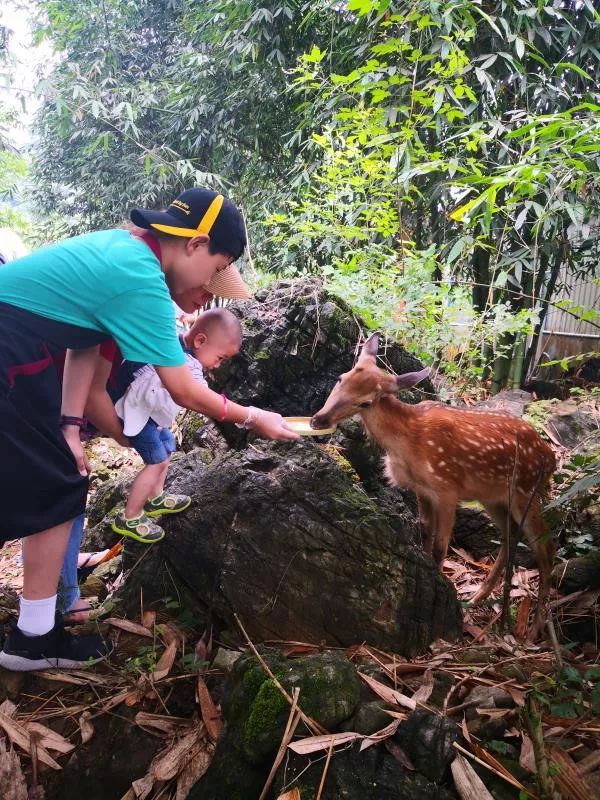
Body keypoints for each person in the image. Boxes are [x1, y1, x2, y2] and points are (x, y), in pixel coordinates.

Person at [0, 187, 299, 671]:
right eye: (215, 270)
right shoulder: (142, 278)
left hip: (17, 356)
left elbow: (84, 347)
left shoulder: (123, 251)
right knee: (55, 488)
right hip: (8, 353)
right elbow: (182, 388)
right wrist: (251, 416)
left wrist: (71, 426)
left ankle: (34, 633)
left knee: (57, 480)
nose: (208, 290)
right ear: (196, 245)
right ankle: (33, 639)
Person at [111, 308, 242, 542]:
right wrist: (246, 416)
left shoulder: (178, 346)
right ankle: (130, 516)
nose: (218, 365)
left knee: (168, 447)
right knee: (156, 461)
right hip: (136, 414)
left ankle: (155, 497)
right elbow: (199, 395)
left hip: (151, 415)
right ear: (200, 340)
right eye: (220, 358)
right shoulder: (181, 360)